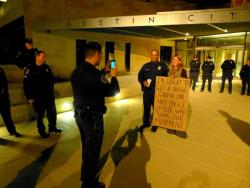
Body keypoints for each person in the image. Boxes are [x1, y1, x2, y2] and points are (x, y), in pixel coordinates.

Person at [71, 42, 120, 188]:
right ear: (97, 54)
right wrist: (114, 76)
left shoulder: (76, 71)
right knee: (93, 149)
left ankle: (85, 175)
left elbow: (92, 83)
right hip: (92, 118)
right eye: (101, 54)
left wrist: (104, 72)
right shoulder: (93, 74)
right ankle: (88, 183)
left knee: (87, 146)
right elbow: (113, 91)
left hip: (80, 116)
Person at [23, 51, 62, 138]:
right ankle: (41, 131)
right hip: (37, 97)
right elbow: (26, 85)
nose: (45, 58)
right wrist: (29, 97)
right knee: (39, 116)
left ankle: (52, 127)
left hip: (48, 96)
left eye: (45, 56)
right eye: (43, 56)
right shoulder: (30, 69)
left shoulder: (47, 67)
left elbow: (51, 79)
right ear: (37, 57)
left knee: (52, 113)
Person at [138, 49, 168, 133]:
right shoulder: (145, 65)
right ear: (150, 56)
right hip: (147, 91)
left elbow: (167, 77)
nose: (154, 56)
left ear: (158, 56)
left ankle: (155, 124)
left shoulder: (163, 66)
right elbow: (140, 76)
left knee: (156, 108)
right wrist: (143, 82)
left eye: (155, 55)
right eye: (152, 54)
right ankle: (146, 123)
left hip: (157, 91)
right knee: (146, 107)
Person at [167, 55, 188, 138]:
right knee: (171, 110)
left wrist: (176, 78)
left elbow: (186, 81)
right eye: (173, 59)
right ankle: (171, 127)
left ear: (180, 61)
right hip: (171, 94)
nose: (174, 61)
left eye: (176, 59)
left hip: (180, 94)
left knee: (179, 112)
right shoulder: (169, 70)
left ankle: (179, 129)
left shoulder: (183, 70)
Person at [0, 67, 21, 137]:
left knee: (8, 116)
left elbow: (5, 81)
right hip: (3, 97)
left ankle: (12, 131)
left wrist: (4, 91)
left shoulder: (0, 69)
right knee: (7, 116)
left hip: (4, 98)